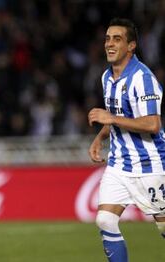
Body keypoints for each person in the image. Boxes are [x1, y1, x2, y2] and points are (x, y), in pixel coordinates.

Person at [88, 18, 165, 262]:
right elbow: (119, 116)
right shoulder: (106, 77)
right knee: (105, 219)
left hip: (150, 164)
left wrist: (108, 118)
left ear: (131, 46)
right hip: (119, 164)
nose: (110, 44)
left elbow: (153, 124)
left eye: (117, 39)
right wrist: (100, 137)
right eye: (108, 38)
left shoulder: (142, 79)